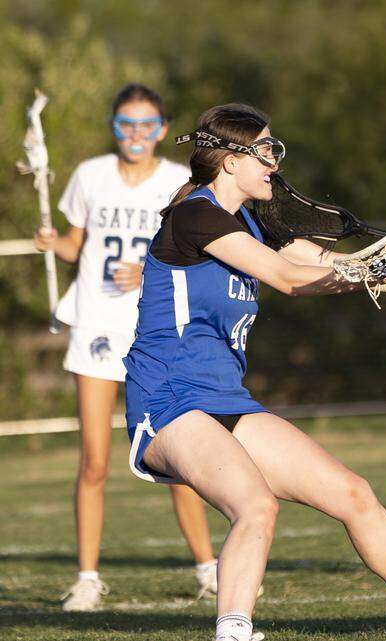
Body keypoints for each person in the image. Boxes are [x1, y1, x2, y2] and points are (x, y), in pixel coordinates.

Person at [122, 103, 386, 641]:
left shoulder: (255, 219)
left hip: (223, 398)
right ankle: (234, 633)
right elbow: (290, 279)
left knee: (353, 493)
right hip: (168, 398)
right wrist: (374, 272)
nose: (273, 162)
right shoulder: (194, 217)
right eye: (264, 150)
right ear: (228, 161)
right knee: (255, 507)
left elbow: (326, 264)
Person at [32, 84, 218, 611]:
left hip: (154, 329)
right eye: (124, 125)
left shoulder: (178, 183)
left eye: (145, 125)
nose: (135, 134)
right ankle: (88, 578)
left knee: (180, 455)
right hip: (94, 323)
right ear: (114, 127)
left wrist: (150, 270)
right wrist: (55, 243)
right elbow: (76, 244)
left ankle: (208, 568)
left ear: (161, 128)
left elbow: (198, 250)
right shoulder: (89, 176)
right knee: (94, 460)